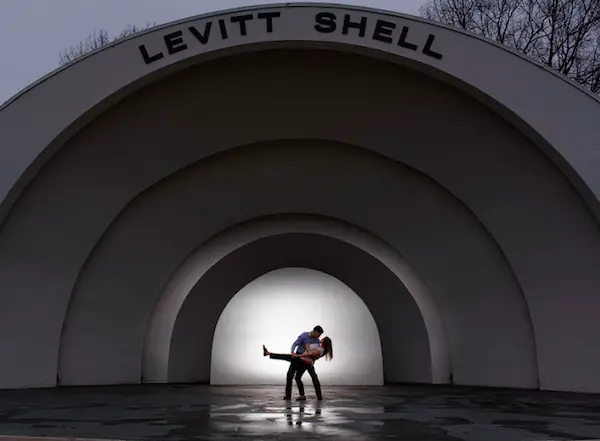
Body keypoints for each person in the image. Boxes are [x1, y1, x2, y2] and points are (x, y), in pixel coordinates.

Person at [263, 336, 333, 401]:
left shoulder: (321, 349)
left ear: (324, 342)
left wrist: (298, 355)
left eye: (322, 339)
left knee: (287, 357)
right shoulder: (319, 347)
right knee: (298, 377)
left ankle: (268, 353)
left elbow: (309, 354)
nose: (320, 339)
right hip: (304, 362)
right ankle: (303, 396)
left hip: (303, 361)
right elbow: (310, 351)